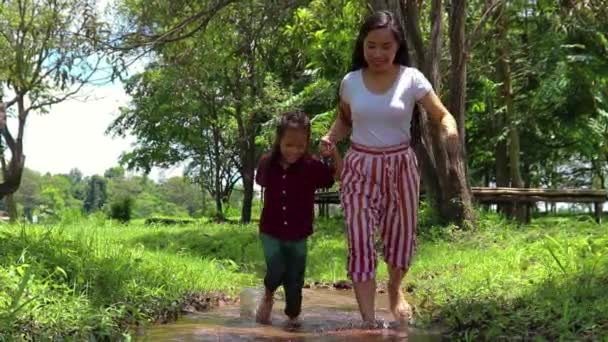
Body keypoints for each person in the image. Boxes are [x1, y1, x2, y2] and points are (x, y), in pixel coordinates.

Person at [320, 10, 461, 326]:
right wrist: (330, 137)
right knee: (359, 238)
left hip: (401, 167)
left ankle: (395, 291)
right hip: (359, 167)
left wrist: (450, 131)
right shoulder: (350, 82)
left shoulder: (412, 79)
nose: (378, 53)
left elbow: (441, 115)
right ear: (363, 45)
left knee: (400, 237)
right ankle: (368, 322)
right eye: (371, 45)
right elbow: (345, 119)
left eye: (386, 46)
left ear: (398, 47)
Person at [255, 111, 342, 326]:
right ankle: (268, 295)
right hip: (271, 231)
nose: (294, 151)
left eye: (300, 146)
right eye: (289, 145)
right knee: (276, 269)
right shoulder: (267, 163)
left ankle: (293, 321)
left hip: (298, 234)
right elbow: (261, 181)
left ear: (307, 143)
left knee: (294, 282)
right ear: (279, 141)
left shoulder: (311, 166)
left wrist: (335, 153)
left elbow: (338, 175)